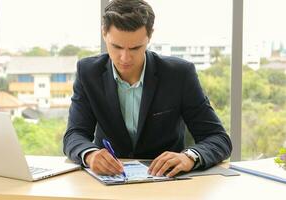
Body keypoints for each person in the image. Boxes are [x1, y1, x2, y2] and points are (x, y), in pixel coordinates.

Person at [63, 0, 232, 177]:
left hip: (166, 182)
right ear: (104, 34)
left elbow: (218, 138)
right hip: (110, 182)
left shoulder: (180, 75)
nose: (125, 58)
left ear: (149, 37)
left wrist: (189, 157)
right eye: (117, 46)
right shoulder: (88, 72)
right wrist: (90, 155)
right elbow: (74, 134)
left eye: (135, 48)